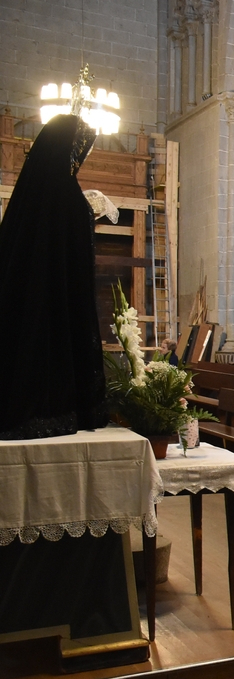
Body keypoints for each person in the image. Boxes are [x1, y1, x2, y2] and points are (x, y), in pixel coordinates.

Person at [0, 114, 108, 440]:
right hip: (59, 291)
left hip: (38, 293)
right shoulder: (62, 192)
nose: (80, 155)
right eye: (78, 148)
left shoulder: (34, 190)